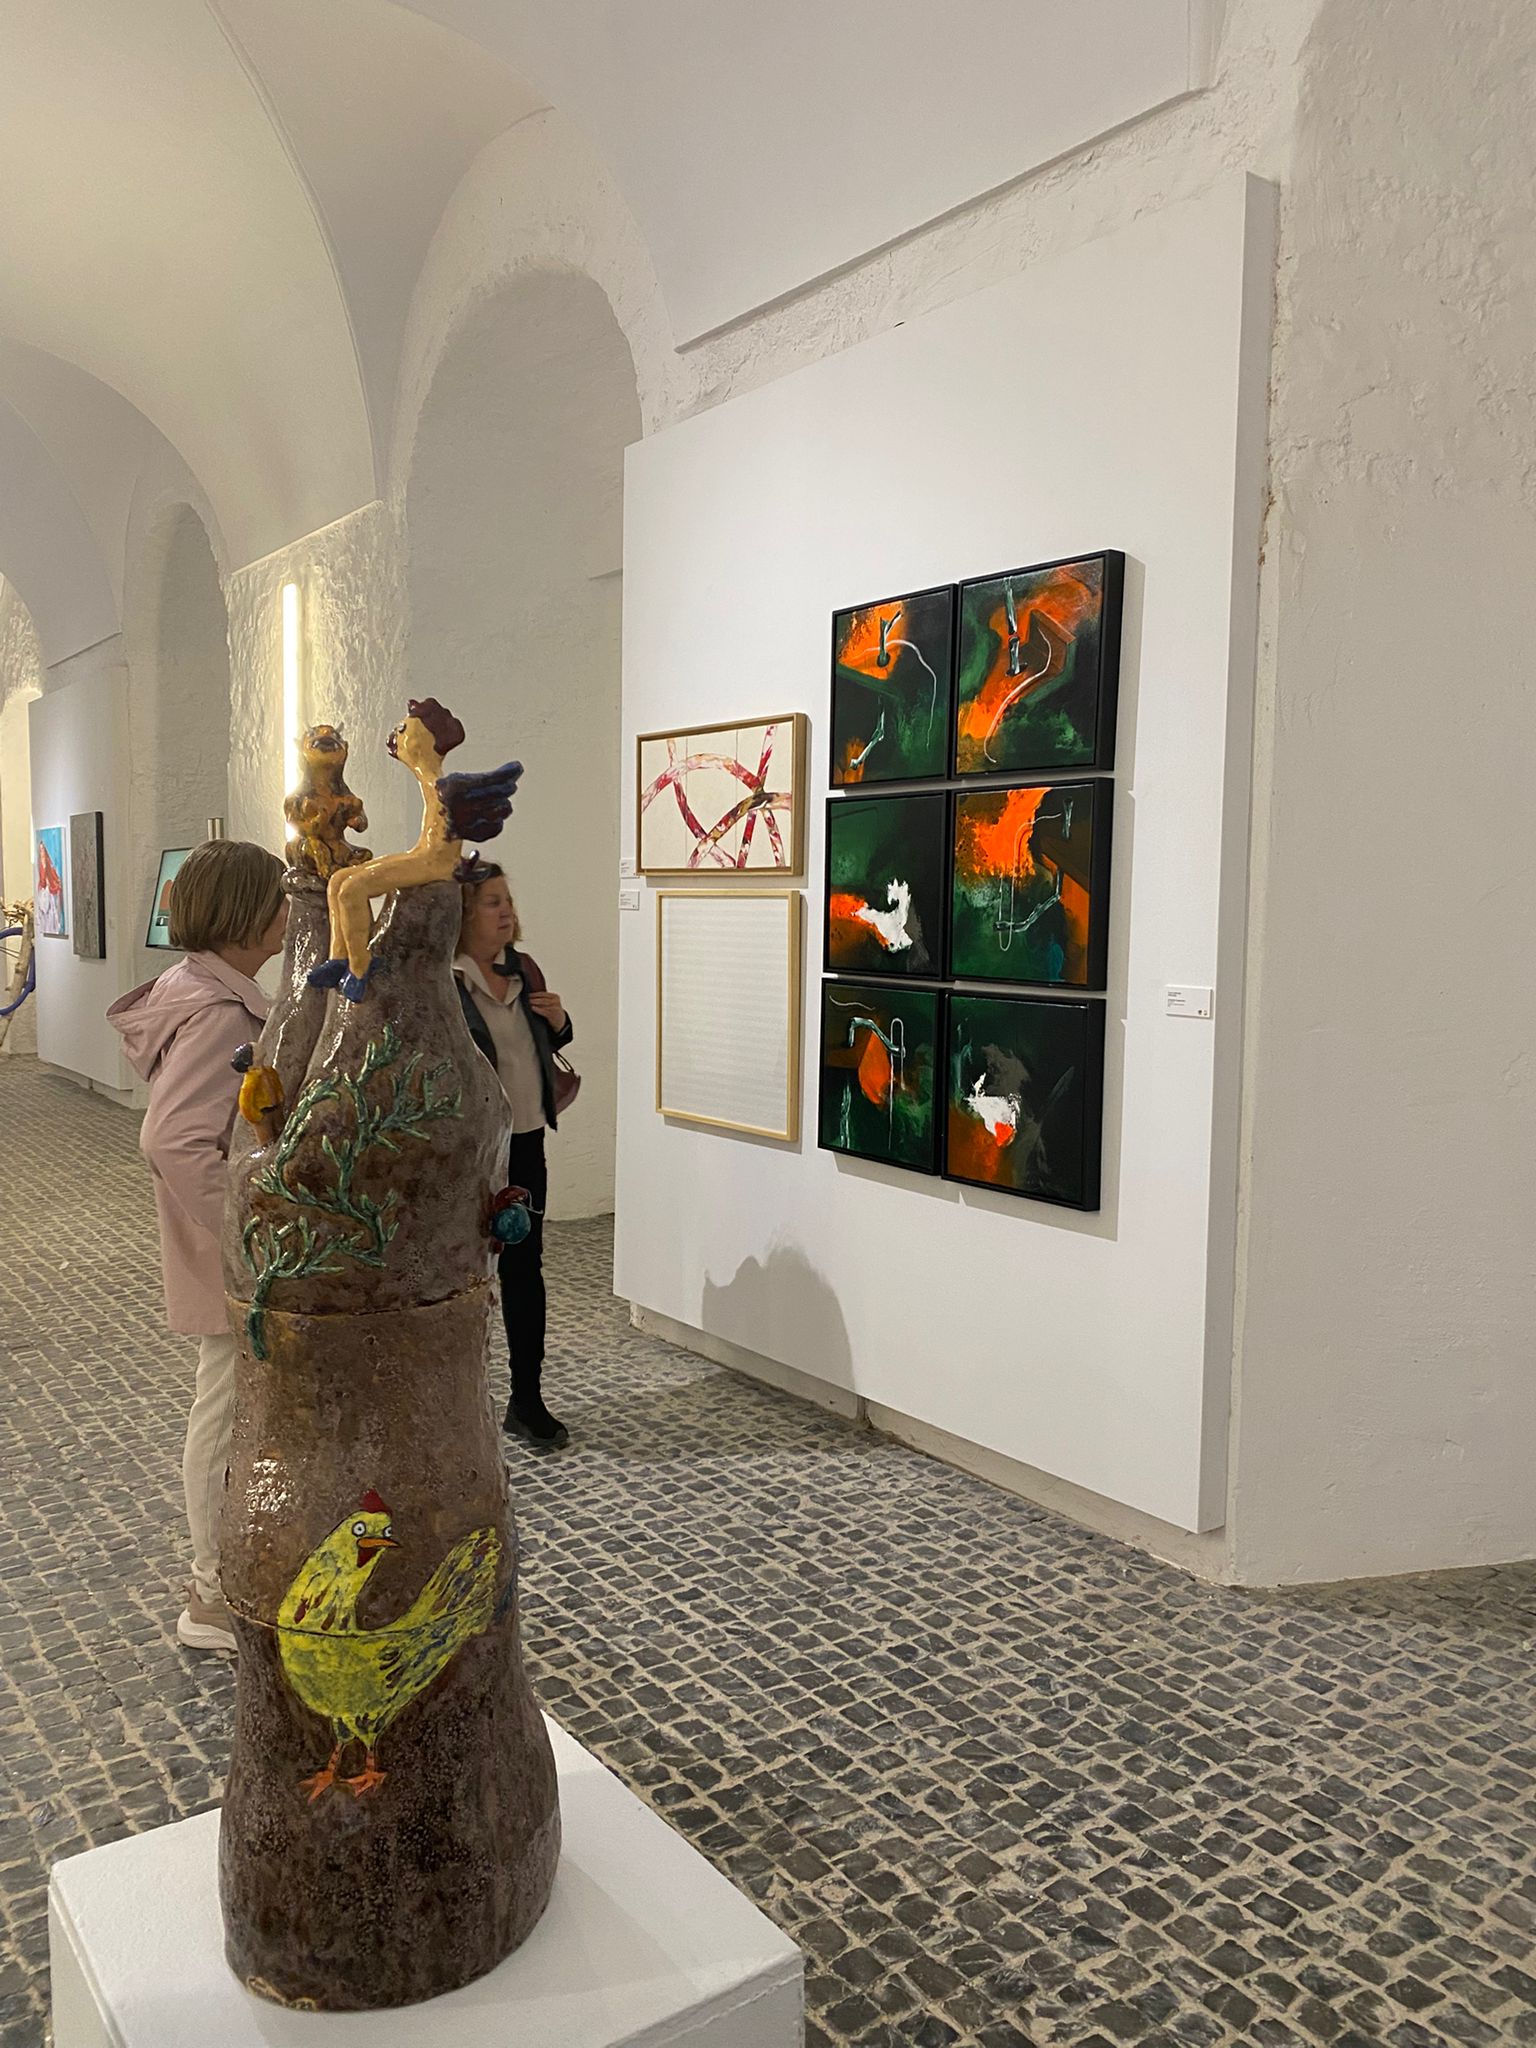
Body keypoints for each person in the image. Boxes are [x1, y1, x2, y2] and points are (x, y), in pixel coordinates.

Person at [109, 840, 287, 1652]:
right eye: (277, 899)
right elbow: (174, 1139)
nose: (288, 913)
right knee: (222, 1405)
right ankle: (212, 1594)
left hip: (220, 1244)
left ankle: (226, 1573)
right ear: (245, 913)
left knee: (231, 1400)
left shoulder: (208, 994)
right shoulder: (218, 1012)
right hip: (229, 1253)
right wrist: (248, 1226)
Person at [453, 864, 572, 1451]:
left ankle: (527, 1400)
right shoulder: (443, 980)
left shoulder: (523, 969)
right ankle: (455, 1406)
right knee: (460, 1277)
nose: (505, 911)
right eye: (491, 902)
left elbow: (547, 1044)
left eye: (507, 900)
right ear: (462, 912)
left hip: (525, 1142)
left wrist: (560, 1021)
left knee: (525, 1270)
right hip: (465, 1154)